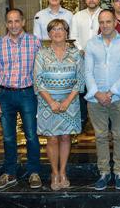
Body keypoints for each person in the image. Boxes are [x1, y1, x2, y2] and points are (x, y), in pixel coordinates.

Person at [0, 8, 42, 189]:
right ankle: (10, 173)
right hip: (5, 95)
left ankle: (34, 173)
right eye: (10, 22)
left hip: (27, 93)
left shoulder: (35, 42)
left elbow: (41, 70)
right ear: (6, 24)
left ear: (23, 22)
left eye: (17, 21)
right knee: (8, 137)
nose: (14, 25)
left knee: (32, 135)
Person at [85, 9, 120, 190]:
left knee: (119, 135)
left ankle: (119, 171)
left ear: (115, 22)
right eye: (102, 22)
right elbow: (88, 71)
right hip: (95, 99)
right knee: (100, 136)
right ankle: (104, 172)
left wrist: (111, 92)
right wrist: (97, 93)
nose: (105, 25)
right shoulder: (91, 44)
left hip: (119, 97)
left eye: (108, 21)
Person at [33, 19, 85, 190]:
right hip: (48, 103)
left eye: (61, 29)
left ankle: (63, 172)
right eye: (53, 29)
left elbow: (80, 80)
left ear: (66, 33)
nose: (57, 32)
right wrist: (52, 102)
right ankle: (54, 172)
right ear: (49, 34)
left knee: (65, 137)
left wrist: (67, 101)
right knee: (52, 138)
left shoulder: (75, 54)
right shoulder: (42, 54)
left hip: (70, 102)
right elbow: (38, 81)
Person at [70, 0, 101, 127]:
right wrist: (81, 50)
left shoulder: (105, 14)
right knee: (81, 88)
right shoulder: (77, 16)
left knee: (98, 87)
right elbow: (73, 36)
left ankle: (100, 119)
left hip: (100, 59)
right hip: (81, 58)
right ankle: (82, 118)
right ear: (84, 0)